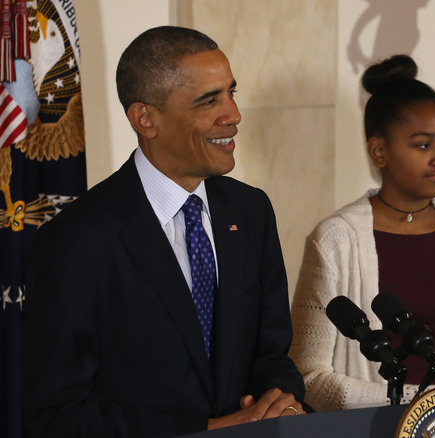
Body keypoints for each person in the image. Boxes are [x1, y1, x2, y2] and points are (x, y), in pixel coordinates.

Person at [22, 26, 306, 437]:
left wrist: (278, 400)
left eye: (231, 92)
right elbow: (58, 412)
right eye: (209, 101)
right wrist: (208, 429)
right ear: (146, 119)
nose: (233, 115)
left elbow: (272, 354)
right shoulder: (76, 240)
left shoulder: (251, 211)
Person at [288, 54, 435, 412]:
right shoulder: (335, 240)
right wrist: (419, 402)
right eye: (423, 145)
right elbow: (308, 377)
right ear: (379, 151)